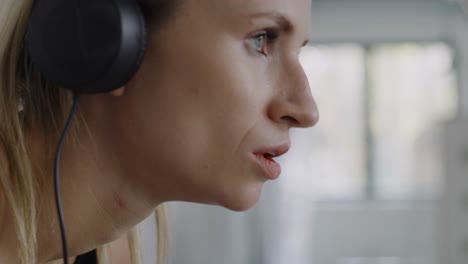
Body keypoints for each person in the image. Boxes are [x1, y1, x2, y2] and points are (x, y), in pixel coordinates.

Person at [0, 0, 319, 263]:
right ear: (107, 40)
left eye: (298, 51)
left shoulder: (110, 250)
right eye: (261, 39)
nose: (306, 111)